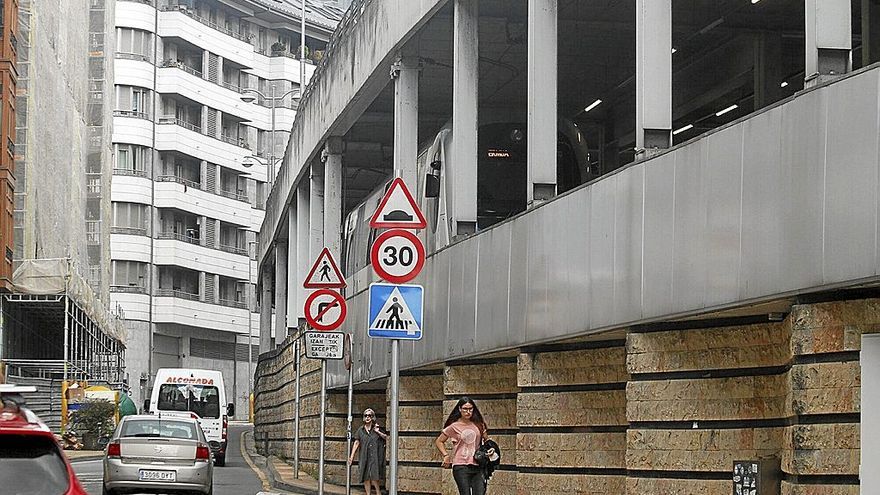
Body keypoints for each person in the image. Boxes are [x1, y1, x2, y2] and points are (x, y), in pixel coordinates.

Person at [434, 397, 489, 495]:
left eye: (470, 409)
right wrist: (446, 455)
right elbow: (439, 441)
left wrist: (491, 450)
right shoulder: (454, 426)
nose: (468, 412)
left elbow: (487, 441)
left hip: (478, 464)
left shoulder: (479, 425)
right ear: (460, 409)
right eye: (465, 409)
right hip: (461, 466)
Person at [348, 408, 387, 495]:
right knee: (365, 477)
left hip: (375, 457)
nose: (367, 417)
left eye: (369, 415)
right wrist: (351, 456)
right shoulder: (360, 430)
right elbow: (356, 443)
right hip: (364, 456)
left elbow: (386, 438)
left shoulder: (377, 429)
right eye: (366, 415)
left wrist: (378, 432)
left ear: (373, 417)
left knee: (374, 477)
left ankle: (378, 492)